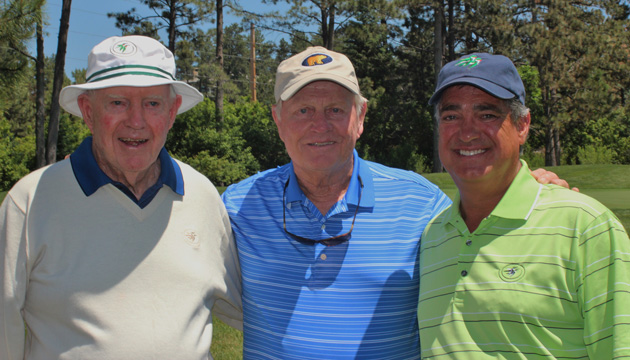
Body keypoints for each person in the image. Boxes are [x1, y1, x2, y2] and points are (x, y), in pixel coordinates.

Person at [0, 35, 242, 359]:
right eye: (117, 102)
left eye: (152, 103)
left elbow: (243, 307)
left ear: (172, 112)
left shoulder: (201, 195)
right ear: (88, 111)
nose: (136, 121)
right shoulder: (30, 202)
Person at [221, 46, 452, 359]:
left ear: (361, 116)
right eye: (303, 110)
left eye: (335, 110)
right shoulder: (237, 207)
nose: (320, 125)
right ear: (278, 119)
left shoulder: (422, 204)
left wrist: (518, 184)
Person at [418, 53, 630, 359]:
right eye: (451, 116)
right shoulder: (433, 236)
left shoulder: (586, 227)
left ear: (522, 125)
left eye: (487, 115)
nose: (467, 132)